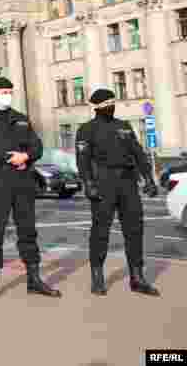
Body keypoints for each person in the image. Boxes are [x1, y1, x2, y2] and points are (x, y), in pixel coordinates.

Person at [0, 77, 60, 299]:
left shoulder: (21, 119)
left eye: (10, 91)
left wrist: (26, 156)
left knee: (28, 231)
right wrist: (8, 157)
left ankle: (34, 280)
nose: (7, 95)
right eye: (3, 91)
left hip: (23, 182)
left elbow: (37, 146)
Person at [77, 88, 160, 296]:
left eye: (113, 104)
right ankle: (97, 277)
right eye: (107, 105)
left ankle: (137, 277)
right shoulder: (87, 129)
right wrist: (88, 183)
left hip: (127, 182)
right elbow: (83, 160)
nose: (112, 108)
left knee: (134, 229)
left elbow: (138, 153)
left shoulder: (123, 126)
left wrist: (148, 178)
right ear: (98, 108)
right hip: (103, 182)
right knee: (100, 231)